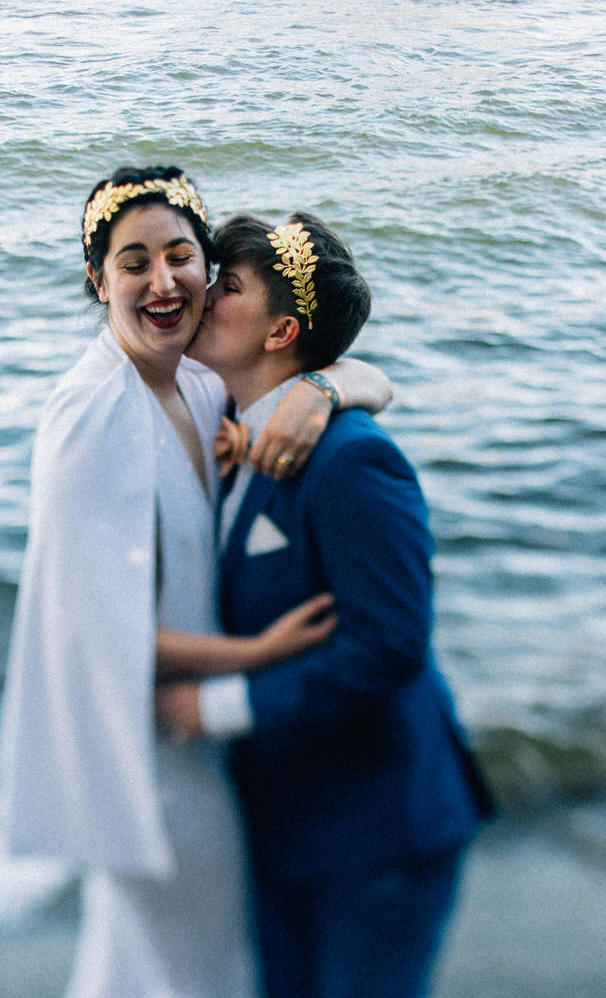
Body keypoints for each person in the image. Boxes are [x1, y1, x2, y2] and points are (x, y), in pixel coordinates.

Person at [0, 168, 392, 998]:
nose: (163, 279)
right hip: (149, 749)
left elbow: (368, 377)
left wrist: (322, 386)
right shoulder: (90, 413)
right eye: (133, 261)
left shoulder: (203, 382)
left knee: (142, 971)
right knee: (194, 971)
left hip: (208, 738)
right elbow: (91, 633)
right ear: (97, 280)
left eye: (181, 255)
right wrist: (256, 653)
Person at [160, 212, 496, 998]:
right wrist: (325, 380)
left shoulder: (353, 459)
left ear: (281, 330)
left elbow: (389, 646)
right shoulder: (224, 420)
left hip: (378, 827)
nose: (204, 295)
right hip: (284, 821)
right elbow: (364, 374)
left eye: (228, 286)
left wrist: (219, 707)